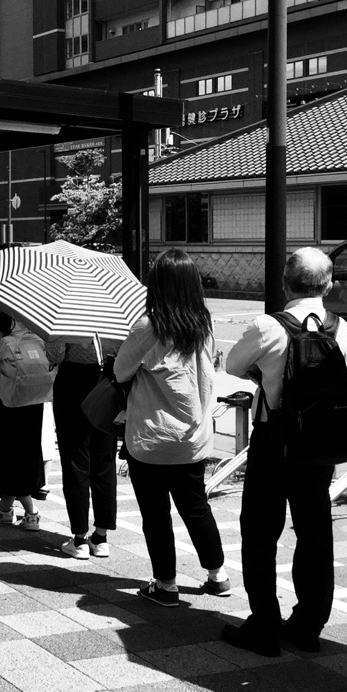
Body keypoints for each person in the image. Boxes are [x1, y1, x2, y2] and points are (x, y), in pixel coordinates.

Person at [222, 247, 347, 657]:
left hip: (273, 440)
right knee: (315, 533)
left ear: (284, 282)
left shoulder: (268, 326)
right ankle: (308, 625)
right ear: (329, 284)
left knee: (260, 533)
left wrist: (264, 375)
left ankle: (264, 625)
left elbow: (231, 365)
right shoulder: (343, 330)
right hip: (319, 446)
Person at [114, 249, 229, 607]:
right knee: (196, 506)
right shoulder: (203, 326)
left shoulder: (149, 326)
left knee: (156, 513)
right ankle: (217, 575)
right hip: (193, 438)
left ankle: (166, 585)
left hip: (151, 438)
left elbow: (120, 371)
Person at [0, 302, 61, 529]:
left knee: (5, 447)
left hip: (3, 385)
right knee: (27, 445)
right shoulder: (38, 308)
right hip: (33, 384)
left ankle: (30, 511)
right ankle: (6, 505)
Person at [53, 338, 118, 560]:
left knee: (75, 458)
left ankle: (79, 538)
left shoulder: (71, 312)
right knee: (104, 459)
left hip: (72, 381)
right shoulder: (115, 314)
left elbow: (55, 355)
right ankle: (101, 537)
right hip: (107, 380)